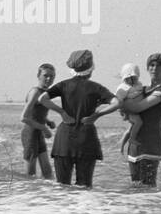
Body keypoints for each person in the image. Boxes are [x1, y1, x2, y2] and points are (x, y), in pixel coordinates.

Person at [37, 49, 118, 188]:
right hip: (86, 140)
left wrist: (62, 112)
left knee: (62, 187)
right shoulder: (96, 88)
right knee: (85, 187)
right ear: (90, 68)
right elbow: (118, 102)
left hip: (64, 141)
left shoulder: (63, 85)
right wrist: (97, 115)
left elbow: (42, 98)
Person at [126, 53, 161, 186]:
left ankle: (152, 207)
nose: (154, 68)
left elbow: (137, 108)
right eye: (151, 65)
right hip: (135, 144)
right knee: (135, 186)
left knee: (147, 187)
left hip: (151, 143)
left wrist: (120, 104)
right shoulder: (143, 90)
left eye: (159, 66)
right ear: (147, 68)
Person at [20, 63, 60, 178]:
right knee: (30, 174)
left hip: (38, 133)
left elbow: (35, 113)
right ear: (38, 76)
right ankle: (26, 194)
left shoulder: (44, 93)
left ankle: (50, 195)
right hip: (30, 133)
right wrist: (44, 128)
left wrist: (47, 121)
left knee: (47, 172)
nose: (49, 79)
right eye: (45, 75)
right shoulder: (35, 92)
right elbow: (24, 117)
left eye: (52, 76)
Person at [113, 63, 157, 156]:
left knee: (130, 128)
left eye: (134, 78)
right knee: (138, 122)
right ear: (124, 78)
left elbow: (143, 91)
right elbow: (118, 100)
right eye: (129, 79)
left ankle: (121, 147)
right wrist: (122, 112)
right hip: (129, 111)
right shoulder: (123, 88)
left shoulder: (138, 85)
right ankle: (132, 139)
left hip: (136, 109)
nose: (132, 81)